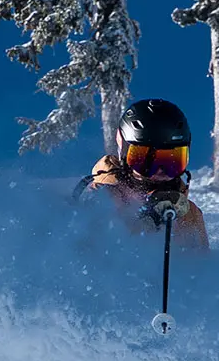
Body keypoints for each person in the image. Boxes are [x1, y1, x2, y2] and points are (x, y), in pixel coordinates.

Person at [82, 98, 208, 250]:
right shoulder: (103, 198)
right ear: (124, 154)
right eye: (145, 160)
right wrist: (140, 224)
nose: (160, 171)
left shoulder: (189, 214)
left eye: (172, 161)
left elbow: (201, 266)